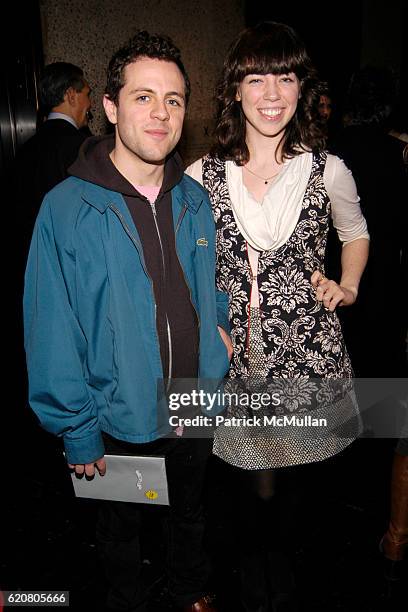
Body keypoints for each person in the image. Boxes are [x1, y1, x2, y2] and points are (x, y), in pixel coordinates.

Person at [23, 31, 232, 612]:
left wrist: (220, 331)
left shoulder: (194, 198)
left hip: (193, 401)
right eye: (143, 97)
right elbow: (52, 329)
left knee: (189, 512)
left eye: (174, 99)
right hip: (117, 412)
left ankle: (191, 589)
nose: (161, 114)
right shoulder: (66, 207)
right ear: (111, 107)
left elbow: (206, 279)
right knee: (122, 528)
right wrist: (77, 428)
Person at [187, 21, 369, 611]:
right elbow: (184, 259)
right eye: (256, 77)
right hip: (238, 361)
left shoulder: (327, 169)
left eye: (285, 77)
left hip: (309, 356)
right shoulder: (201, 174)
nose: (271, 92)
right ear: (234, 90)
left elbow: (354, 231)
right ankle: (254, 577)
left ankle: (281, 578)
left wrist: (348, 283)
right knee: (253, 489)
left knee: (296, 489)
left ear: (300, 88)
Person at [15, 62, 92, 257]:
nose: (90, 104)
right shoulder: (83, 148)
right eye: (87, 94)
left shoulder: (24, 150)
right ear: (71, 95)